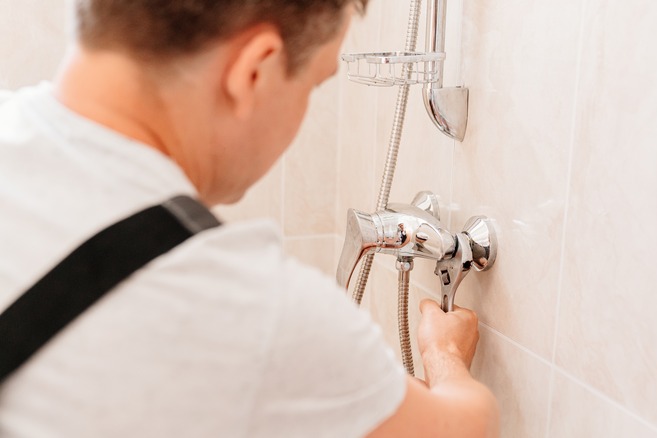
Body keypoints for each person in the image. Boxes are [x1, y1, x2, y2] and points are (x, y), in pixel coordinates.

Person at [0, 1, 499, 436]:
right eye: (313, 82)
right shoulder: (250, 305)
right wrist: (444, 353)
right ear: (254, 70)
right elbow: (464, 429)